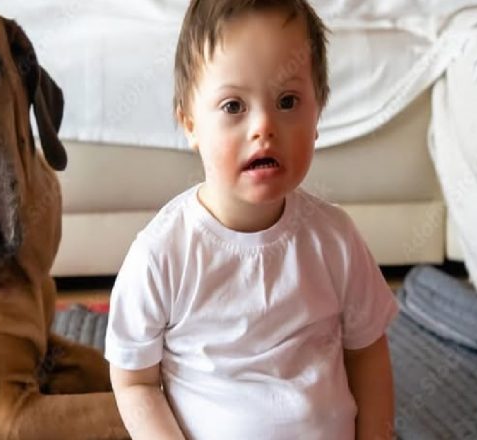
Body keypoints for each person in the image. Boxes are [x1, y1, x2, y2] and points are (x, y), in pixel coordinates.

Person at [104, 1, 399, 439]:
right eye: (233, 106)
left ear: (317, 115)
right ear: (190, 123)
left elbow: (367, 353)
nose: (264, 126)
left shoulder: (335, 239)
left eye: (287, 101)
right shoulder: (162, 254)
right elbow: (135, 382)